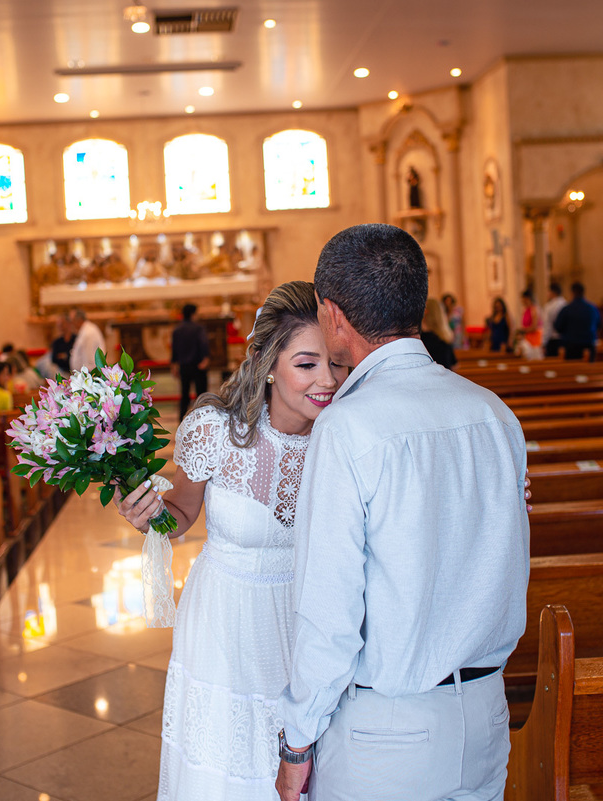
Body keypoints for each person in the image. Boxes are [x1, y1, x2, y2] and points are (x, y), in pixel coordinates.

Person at [275, 224, 529, 801]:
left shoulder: (348, 426)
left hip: (391, 735)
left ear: (332, 315)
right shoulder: (492, 412)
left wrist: (297, 741)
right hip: (486, 715)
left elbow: (329, 613)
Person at [115, 281, 345, 801]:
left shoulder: (347, 434)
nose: (327, 381)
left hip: (311, 618)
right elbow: (179, 514)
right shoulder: (215, 430)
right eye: (307, 365)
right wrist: (147, 514)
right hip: (227, 620)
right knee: (232, 768)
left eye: (335, 362)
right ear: (266, 360)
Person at [171, 302, 211, 419]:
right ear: (193, 314)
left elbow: (174, 349)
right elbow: (204, 344)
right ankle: (203, 418)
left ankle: (182, 420)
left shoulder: (177, 330)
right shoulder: (198, 328)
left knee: (184, 395)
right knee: (201, 394)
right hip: (198, 365)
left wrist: (174, 365)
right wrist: (206, 358)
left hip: (184, 366)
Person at [553, 280, 601, 361]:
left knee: (572, 370)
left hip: (571, 347)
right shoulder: (592, 308)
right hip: (589, 345)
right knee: (590, 370)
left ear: (572, 293)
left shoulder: (567, 309)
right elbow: (599, 325)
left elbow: (558, 327)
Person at [419, 297, 456, 369]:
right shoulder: (444, 338)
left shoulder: (421, 338)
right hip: (444, 379)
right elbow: (454, 364)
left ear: (425, 312)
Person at [69, 307, 106, 373]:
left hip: (89, 374)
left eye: (73, 321)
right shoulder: (84, 330)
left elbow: (89, 358)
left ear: (79, 319)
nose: (72, 324)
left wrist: (87, 374)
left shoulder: (89, 332)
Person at [542, 281, 567, 358]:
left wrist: (543, 343)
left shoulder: (549, 307)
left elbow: (547, 326)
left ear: (552, 292)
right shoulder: (566, 304)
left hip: (553, 341)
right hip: (565, 340)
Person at [517, 290, 543, 359]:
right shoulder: (525, 310)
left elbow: (534, 327)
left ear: (529, 298)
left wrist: (522, 331)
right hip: (527, 339)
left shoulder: (534, 310)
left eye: (524, 299)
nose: (523, 301)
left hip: (535, 340)